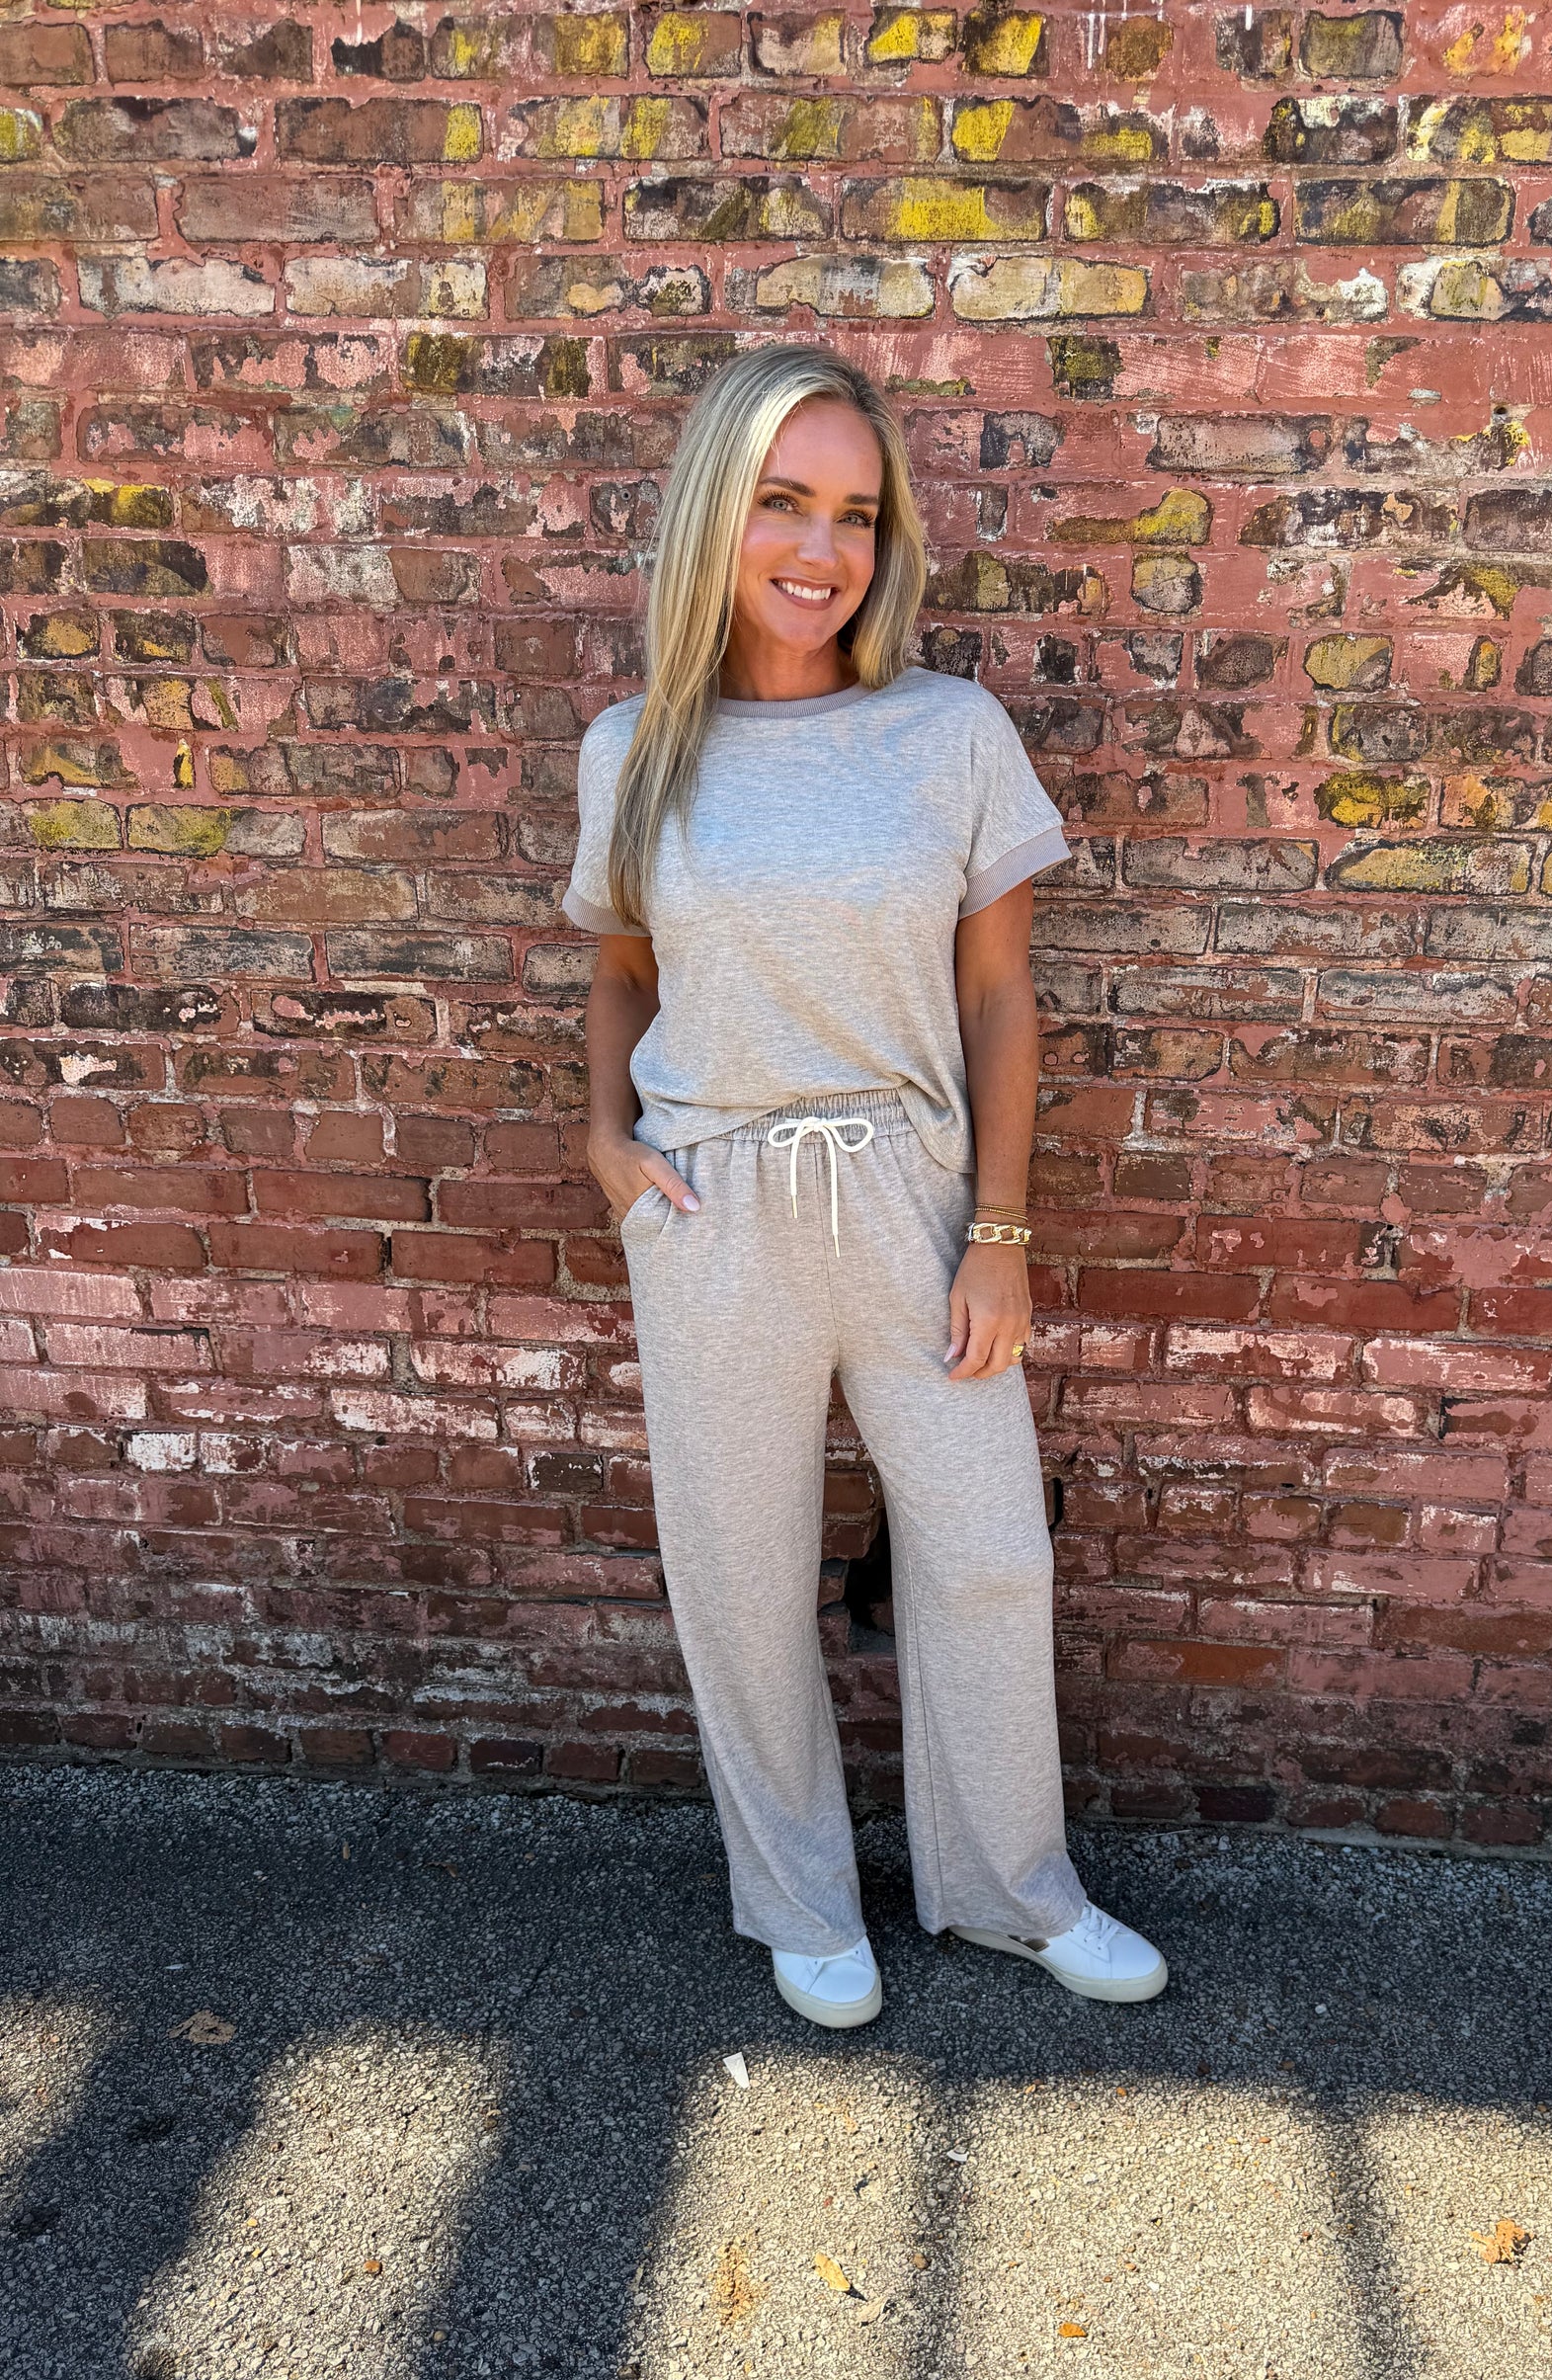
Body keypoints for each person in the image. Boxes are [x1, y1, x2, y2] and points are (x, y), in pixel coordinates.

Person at [558, 343, 1168, 2029]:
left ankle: (1011, 1891)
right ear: (715, 515)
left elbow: (998, 996)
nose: (821, 549)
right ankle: (800, 1903)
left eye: (855, 512)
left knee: (984, 1556)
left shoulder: (945, 733)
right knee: (740, 1576)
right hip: (711, 1204)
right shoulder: (634, 749)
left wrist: (1001, 1233)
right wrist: (606, 1141)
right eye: (782, 502)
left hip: (909, 1191)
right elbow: (620, 970)